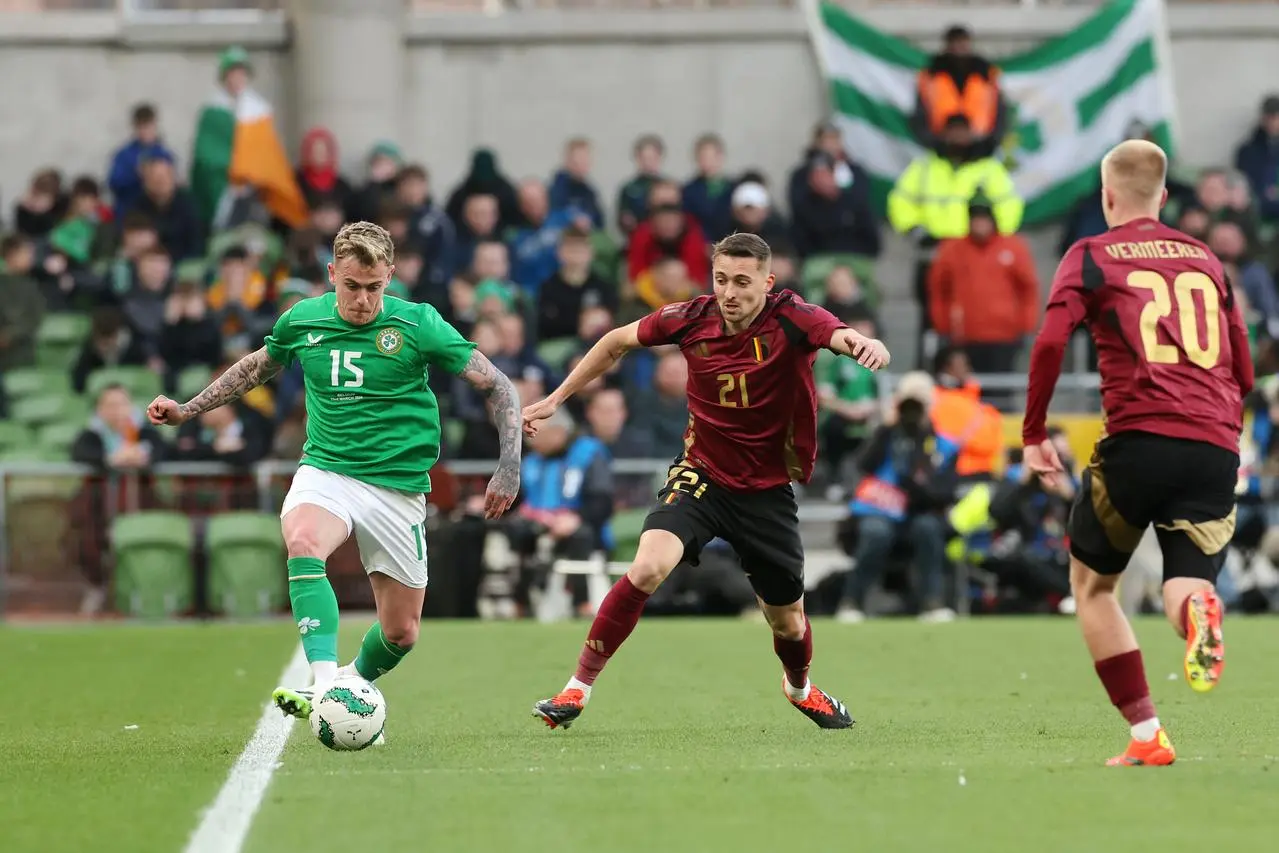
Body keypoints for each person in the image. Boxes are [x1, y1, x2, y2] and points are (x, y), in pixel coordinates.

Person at [146, 221, 523, 729]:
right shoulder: (302, 320)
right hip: (328, 471)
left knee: (402, 633)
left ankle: (347, 678)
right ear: (331, 274)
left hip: (398, 488)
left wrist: (508, 467)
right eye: (351, 287)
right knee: (303, 540)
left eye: (374, 288)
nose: (363, 300)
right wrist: (189, 410)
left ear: (390, 276)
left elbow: (499, 386)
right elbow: (256, 368)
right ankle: (323, 682)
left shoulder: (420, 324)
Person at [522, 232, 889, 730]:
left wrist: (862, 343)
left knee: (788, 620)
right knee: (649, 566)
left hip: (765, 492)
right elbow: (614, 343)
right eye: (721, 280)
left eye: (742, 281)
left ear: (767, 281)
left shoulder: (792, 317)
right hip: (702, 474)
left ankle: (799, 687)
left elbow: (838, 334)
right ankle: (576, 689)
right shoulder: (691, 318)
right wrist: (556, 399)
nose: (730, 292)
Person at [1022, 140, 1254, 767]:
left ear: (1107, 196)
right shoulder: (1205, 257)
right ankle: (1199, 610)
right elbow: (1243, 357)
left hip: (1139, 439)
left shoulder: (1092, 253)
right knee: (1187, 580)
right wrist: (1233, 420)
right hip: (1213, 444)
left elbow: (1049, 342)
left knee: (1094, 587)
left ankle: (1147, 734)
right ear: (1164, 196)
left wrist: (1035, 431)